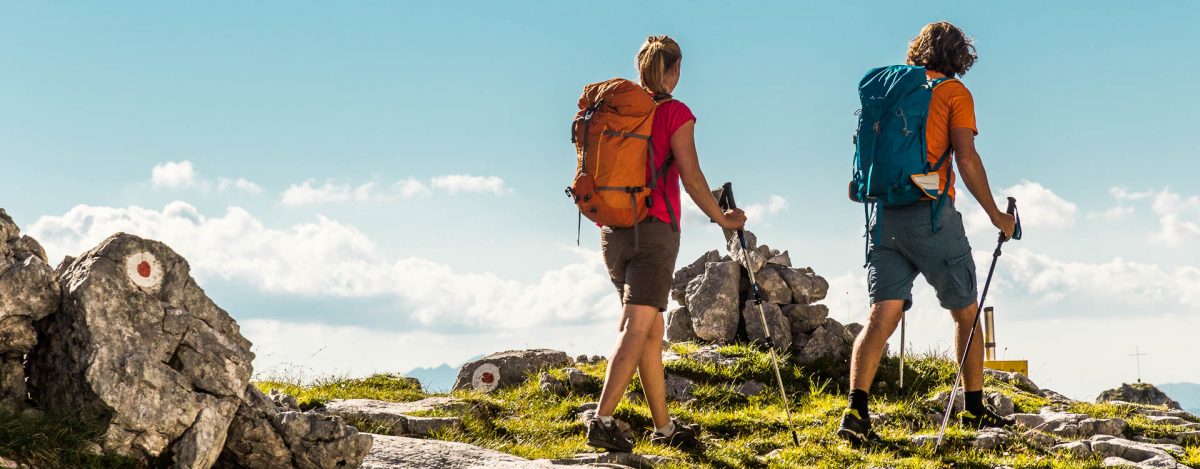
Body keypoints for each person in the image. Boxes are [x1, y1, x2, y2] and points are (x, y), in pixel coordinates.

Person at [837, 22, 1018, 445]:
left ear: (918, 51)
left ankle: (855, 411)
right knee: (965, 311)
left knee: (882, 315)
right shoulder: (954, 94)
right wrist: (996, 215)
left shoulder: (892, 87)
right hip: (930, 213)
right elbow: (967, 158)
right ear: (960, 57)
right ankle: (972, 411)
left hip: (883, 214)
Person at [585, 35, 747, 452]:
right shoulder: (675, 113)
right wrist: (723, 219)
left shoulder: (619, 113)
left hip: (613, 231)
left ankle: (665, 428)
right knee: (637, 325)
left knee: (652, 331)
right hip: (654, 232)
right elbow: (692, 178)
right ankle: (602, 420)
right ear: (673, 71)